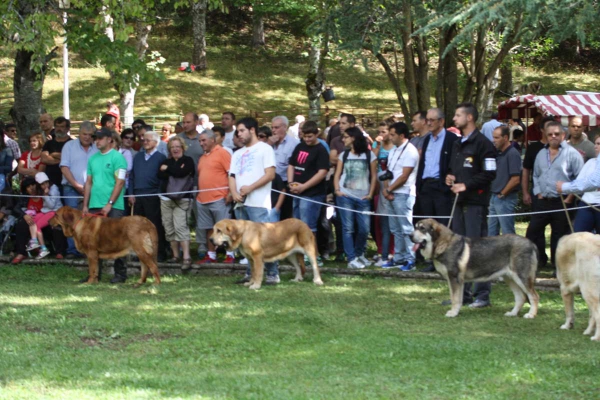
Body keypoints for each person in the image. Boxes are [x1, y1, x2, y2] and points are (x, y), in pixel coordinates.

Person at [445, 102, 497, 309]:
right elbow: (455, 168)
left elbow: (489, 173)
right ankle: (462, 294)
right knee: (458, 249)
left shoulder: (484, 144)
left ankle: (482, 295)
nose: (454, 119)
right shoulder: (458, 143)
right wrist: (451, 178)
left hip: (475, 203)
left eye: (458, 115)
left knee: (478, 249)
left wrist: (466, 185)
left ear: (469, 118)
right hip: (458, 203)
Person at [526, 121, 584, 269]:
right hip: (542, 201)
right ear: (546, 135)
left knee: (558, 237)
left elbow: (580, 179)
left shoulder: (572, 154)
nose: (553, 137)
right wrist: (537, 192)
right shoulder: (541, 153)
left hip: (562, 202)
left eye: (556, 134)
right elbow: (536, 175)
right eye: (550, 134)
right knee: (532, 232)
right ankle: (534, 262)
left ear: (563, 135)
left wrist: (570, 197)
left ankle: (557, 268)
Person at [229, 117, 279, 285]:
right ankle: (251, 274)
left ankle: (272, 274)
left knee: (264, 240)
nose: (239, 134)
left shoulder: (265, 149)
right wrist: (234, 192)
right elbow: (232, 176)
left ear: (252, 130)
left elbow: (270, 174)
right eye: (237, 132)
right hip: (240, 202)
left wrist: (250, 188)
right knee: (245, 242)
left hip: (258, 202)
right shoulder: (237, 153)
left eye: (242, 130)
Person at [82, 128, 129, 283]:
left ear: (109, 139)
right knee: (93, 241)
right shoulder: (92, 159)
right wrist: (85, 204)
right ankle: (94, 275)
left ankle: (120, 274)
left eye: (100, 138)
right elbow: (88, 182)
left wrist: (110, 203)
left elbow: (120, 182)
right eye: (95, 138)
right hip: (95, 205)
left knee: (118, 239)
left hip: (114, 206)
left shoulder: (118, 158)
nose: (97, 141)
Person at [333, 126, 377, 269]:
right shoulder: (343, 155)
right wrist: (337, 190)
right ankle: (351, 258)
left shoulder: (369, 155)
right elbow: (337, 174)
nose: (343, 139)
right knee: (348, 228)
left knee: (364, 229)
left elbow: (374, 176)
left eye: (345, 137)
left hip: (363, 197)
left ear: (353, 138)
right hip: (345, 196)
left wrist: (370, 194)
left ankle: (359, 254)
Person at [287, 120, 329, 264]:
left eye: (310, 136)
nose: (307, 139)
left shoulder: (321, 150)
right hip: (296, 192)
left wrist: (304, 186)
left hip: (312, 193)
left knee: (309, 226)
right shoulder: (300, 146)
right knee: (297, 224)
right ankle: (301, 252)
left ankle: (314, 254)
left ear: (317, 134)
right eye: (305, 136)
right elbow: (291, 165)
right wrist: (291, 183)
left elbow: (322, 172)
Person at [380, 122, 419, 271]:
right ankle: (398, 257)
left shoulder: (410, 151)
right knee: (395, 228)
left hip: (404, 193)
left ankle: (411, 259)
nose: (390, 137)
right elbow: (388, 173)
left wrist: (389, 189)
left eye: (393, 134)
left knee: (406, 227)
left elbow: (404, 176)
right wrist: (386, 189)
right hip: (391, 192)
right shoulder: (394, 151)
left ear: (402, 136)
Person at [59, 121, 98, 258]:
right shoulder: (69, 146)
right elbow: (64, 167)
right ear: (78, 134)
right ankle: (72, 250)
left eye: (90, 135)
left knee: (89, 220)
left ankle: (88, 248)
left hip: (92, 189)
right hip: (71, 188)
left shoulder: (97, 148)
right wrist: (76, 185)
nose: (87, 137)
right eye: (84, 134)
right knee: (70, 219)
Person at [195, 130, 234, 264]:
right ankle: (211, 255)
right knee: (208, 229)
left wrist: (230, 192)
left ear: (213, 140)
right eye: (200, 141)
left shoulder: (223, 153)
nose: (201, 143)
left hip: (219, 198)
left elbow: (231, 174)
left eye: (204, 140)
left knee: (225, 228)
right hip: (202, 199)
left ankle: (230, 254)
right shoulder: (202, 157)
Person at [128, 130, 168, 262]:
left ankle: (159, 252)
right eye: (143, 140)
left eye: (148, 140)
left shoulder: (161, 157)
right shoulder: (138, 157)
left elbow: (163, 179)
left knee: (154, 225)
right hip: (138, 195)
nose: (144, 142)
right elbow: (132, 176)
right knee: (138, 226)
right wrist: (131, 193)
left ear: (156, 142)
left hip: (153, 196)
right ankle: (139, 252)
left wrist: (158, 192)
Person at [158, 136, 195, 269]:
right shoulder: (166, 160)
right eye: (172, 147)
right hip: (166, 199)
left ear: (183, 148)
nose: (175, 149)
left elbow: (182, 172)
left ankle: (186, 257)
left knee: (181, 226)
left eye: (177, 146)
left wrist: (167, 169)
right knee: (169, 227)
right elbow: (160, 175)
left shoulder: (188, 160)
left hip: (183, 199)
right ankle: (175, 256)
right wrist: (173, 170)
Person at [557, 135, 600, 233]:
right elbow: (580, 181)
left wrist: (564, 187)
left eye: (599, 144)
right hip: (586, 203)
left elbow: (593, 182)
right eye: (596, 143)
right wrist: (569, 194)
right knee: (578, 235)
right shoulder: (590, 162)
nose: (595, 146)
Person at [178, 112, 206, 258]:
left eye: (188, 122)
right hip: (181, 185)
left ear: (196, 122)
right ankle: (182, 247)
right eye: (184, 122)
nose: (185, 125)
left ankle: (202, 246)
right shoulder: (178, 139)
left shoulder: (202, 139)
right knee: (182, 217)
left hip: (199, 184)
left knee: (199, 215)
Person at [488, 126, 522, 236]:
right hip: (495, 196)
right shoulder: (498, 153)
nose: (494, 140)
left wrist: (502, 194)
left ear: (506, 137)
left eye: (497, 138)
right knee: (491, 233)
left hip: (505, 198)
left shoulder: (512, 153)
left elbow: (516, 179)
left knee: (508, 233)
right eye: (493, 137)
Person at [372, 122, 395, 266]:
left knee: (392, 220)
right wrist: (377, 145)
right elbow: (372, 160)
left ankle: (392, 251)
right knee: (379, 220)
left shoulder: (396, 148)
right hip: (378, 185)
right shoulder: (377, 146)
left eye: (384, 131)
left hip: (391, 183)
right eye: (380, 132)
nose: (382, 134)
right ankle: (382, 250)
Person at [24, 172, 63, 259]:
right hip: (45, 211)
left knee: (37, 226)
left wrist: (45, 195)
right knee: (31, 220)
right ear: (38, 184)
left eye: (46, 182)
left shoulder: (54, 189)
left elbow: (52, 205)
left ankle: (43, 248)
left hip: (54, 211)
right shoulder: (40, 190)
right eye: (42, 184)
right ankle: (34, 241)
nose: (45, 185)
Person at [270, 115, 298, 220]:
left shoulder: (294, 144)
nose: (273, 130)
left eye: (276, 127)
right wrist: (269, 143)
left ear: (285, 127)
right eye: (272, 127)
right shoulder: (269, 143)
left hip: (285, 184)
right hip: (269, 185)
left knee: (285, 218)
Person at [257, 128, 286, 222]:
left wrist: (276, 208)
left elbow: (283, 190)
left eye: (261, 136)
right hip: (259, 209)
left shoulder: (275, 176)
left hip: (272, 209)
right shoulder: (256, 176)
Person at [41, 116, 72, 190]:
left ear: (68, 129)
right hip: (51, 182)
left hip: (68, 182)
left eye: (62, 127)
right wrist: (63, 160)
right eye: (57, 127)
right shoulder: (49, 143)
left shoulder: (72, 143)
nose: (59, 129)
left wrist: (53, 154)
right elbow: (44, 159)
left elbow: (72, 159)